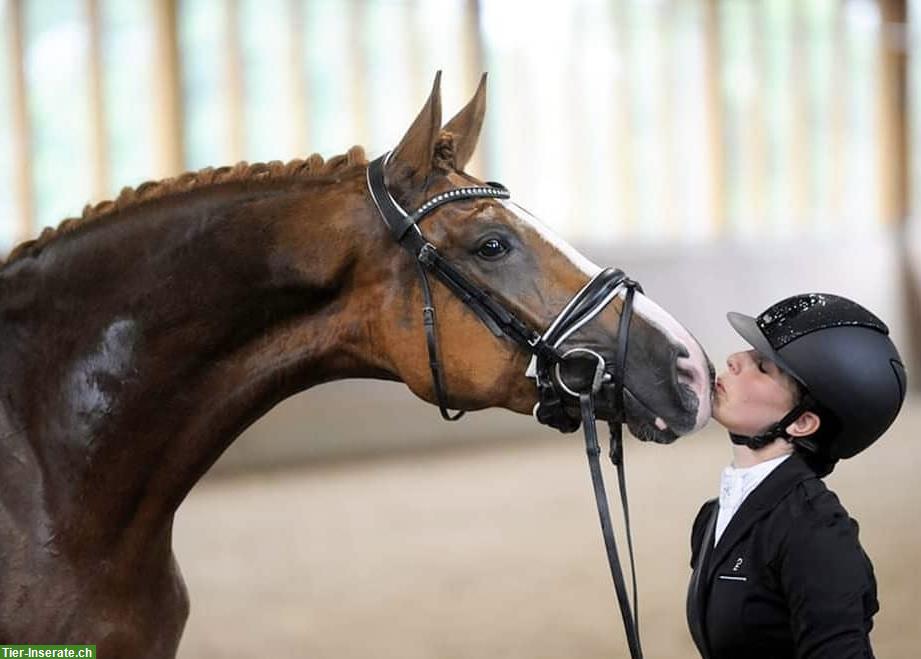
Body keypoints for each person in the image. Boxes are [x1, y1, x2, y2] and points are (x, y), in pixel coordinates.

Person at [686, 293, 907, 659]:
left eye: (762, 366)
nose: (734, 359)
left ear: (802, 422)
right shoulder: (713, 517)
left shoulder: (817, 534)